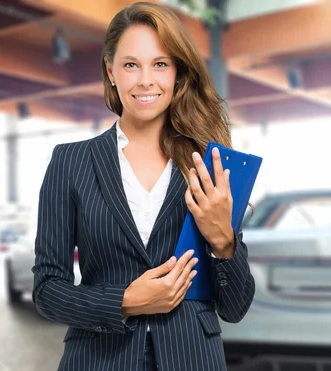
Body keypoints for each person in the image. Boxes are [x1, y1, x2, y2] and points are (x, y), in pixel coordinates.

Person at [32, 2, 255, 370]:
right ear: (111, 70)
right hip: (98, 360)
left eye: (161, 64)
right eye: (131, 64)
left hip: (193, 358)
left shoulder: (212, 165)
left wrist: (223, 242)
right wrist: (125, 300)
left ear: (178, 74)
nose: (146, 80)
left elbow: (235, 308)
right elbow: (47, 291)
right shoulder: (70, 162)